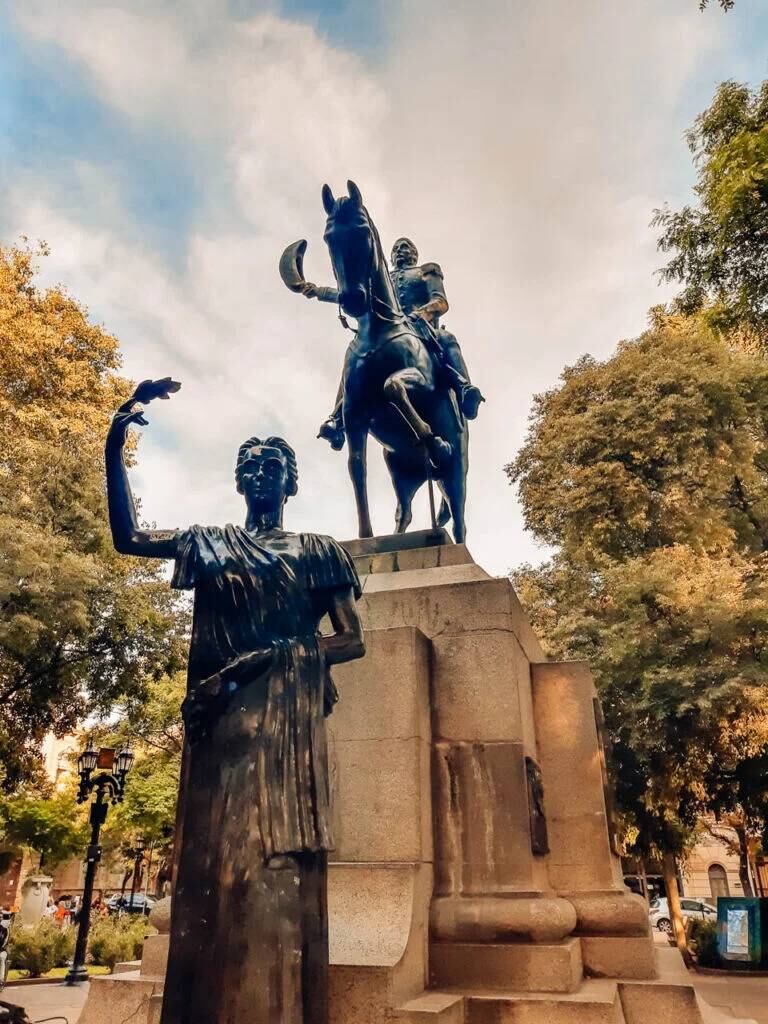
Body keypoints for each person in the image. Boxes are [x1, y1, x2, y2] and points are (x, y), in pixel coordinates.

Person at [105, 379, 366, 1024]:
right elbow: (129, 538)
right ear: (240, 481)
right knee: (214, 870)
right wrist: (115, 443)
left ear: (291, 481)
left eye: (273, 465)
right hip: (219, 729)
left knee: (272, 872)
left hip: (283, 731)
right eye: (250, 465)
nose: (261, 473)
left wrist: (262, 661)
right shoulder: (208, 540)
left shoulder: (317, 552)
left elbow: (352, 640)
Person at [302, 236, 484, 449]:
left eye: (406, 247)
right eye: (396, 248)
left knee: (447, 338)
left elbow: (441, 302)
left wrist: (423, 312)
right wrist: (318, 292)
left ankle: (464, 390)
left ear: (415, 254)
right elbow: (354, 297)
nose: (400, 250)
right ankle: (338, 419)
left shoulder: (427, 270)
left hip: (420, 328)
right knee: (355, 356)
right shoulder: (382, 281)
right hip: (387, 332)